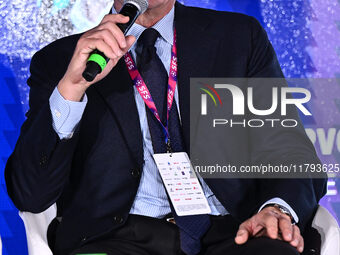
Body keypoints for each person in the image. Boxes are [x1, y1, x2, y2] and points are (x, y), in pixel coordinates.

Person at [5, 0, 326, 254]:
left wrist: (275, 208)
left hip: (237, 232)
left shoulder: (239, 38)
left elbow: (289, 149)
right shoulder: (64, 60)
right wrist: (71, 89)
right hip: (114, 239)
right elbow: (29, 194)